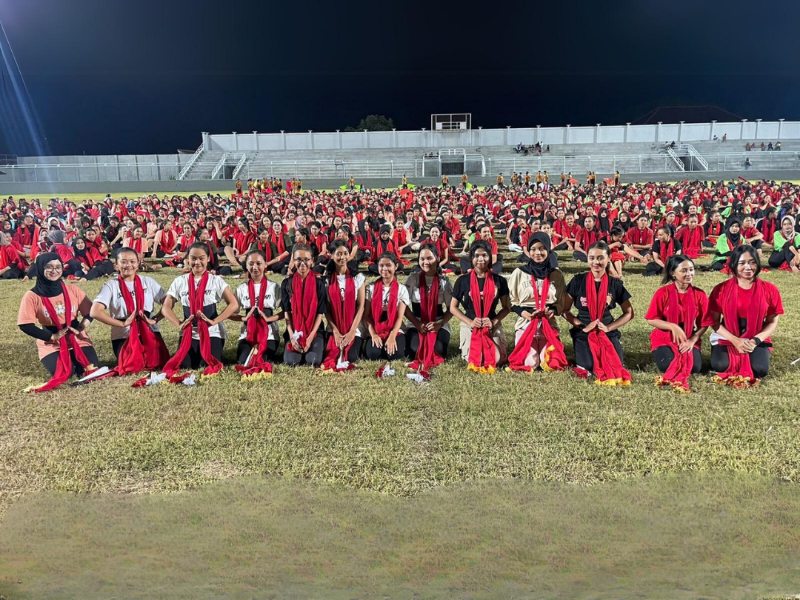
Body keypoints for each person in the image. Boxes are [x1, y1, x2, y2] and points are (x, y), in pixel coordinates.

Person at [17, 252, 99, 392]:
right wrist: (52, 337)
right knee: (65, 373)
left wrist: (80, 328)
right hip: (51, 342)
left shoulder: (72, 289)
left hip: (76, 338)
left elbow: (90, 312)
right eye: (49, 267)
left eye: (58, 267)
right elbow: (25, 324)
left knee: (87, 369)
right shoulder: (32, 296)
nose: (54, 271)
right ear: (40, 269)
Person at [161, 243, 239, 377]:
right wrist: (179, 324)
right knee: (185, 365)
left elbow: (233, 304)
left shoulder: (216, 280)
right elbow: (166, 308)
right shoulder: (180, 281)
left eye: (201, 258)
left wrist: (215, 321)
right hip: (189, 331)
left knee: (207, 364)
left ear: (208, 258)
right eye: (193, 258)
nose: (197, 262)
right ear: (188, 259)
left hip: (211, 332)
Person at [709, 245, 783, 386]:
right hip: (728, 334)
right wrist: (735, 340)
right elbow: (714, 321)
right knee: (720, 365)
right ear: (734, 265)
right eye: (742, 263)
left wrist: (755, 340)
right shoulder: (721, 289)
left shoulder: (770, 289)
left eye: (752, 262)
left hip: (756, 334)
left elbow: (772, 322)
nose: (748, 267)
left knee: (760, 369)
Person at [89, 247, 170, 374]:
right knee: (131, 365)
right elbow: (95, 311)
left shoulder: (148, 282)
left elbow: (168, 301)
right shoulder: (111, 285)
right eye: (124, 262)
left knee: (158, 361)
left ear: (138, 263)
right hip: (124, 334)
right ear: (116, 265)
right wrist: (122, 324)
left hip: (148, 330)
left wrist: (155, 319)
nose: (129, 265)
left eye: (132, 262)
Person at [563, 241, 634, 385]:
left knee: (616, 365)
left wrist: (608, 328)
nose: (596, 262)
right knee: (589, 367)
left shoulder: (615, 284)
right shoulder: (578, 281)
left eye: (601, 258)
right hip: (583, 330)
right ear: (587, 259)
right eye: (592, 258)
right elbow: (564, 310)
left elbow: (629, 313)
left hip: (606, 329)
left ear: (608, 259)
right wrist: (582, 326)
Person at [644, 255, 713, 391]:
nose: (689, 274)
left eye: (691, 270)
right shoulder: (662, 293)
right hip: (665, 337)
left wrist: (692, 340)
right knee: (667, 365)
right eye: (684, 270)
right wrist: (672, 326)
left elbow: (705, 323)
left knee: (695, 368)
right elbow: (651, 319)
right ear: (672, 273)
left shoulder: (700, 294)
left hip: (688, 336)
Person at [506, 233, 568, 372]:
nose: (537, 253)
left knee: (550, 363)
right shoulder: (519, 272)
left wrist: (552, 311)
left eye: (542, 248)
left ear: (548, 250)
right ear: (528, 250)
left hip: (548, 324)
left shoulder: (556, 274)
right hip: (526, 324)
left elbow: (561, 303)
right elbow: (511, 301)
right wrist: (524, 313)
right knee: (530, 363)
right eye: (533, 249)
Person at [449, 240, 511, 373]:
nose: (481, 259)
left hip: (491, 323)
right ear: (471, 258)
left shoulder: (499, 281)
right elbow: (453, 308)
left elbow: (506, 308)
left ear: (490, 257)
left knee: (496, 359)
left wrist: (493, 321)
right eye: (476, 256)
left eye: (484, 255)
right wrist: (470, 322)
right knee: (475, 359)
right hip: (470, 324)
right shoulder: (462, 281)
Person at [231, 249, 282, 379]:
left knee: (262, 359)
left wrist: (270, 318)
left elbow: (287, 311)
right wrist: (244, 317)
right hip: (248, 334)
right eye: (251, 263)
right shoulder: (241, 288)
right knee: (244, 361)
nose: (255, 267)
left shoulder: (274, 287)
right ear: (246, 265)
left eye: (259, 263)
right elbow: (230, 313)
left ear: (265, 264)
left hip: (269, 334)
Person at [404, 244, 453, 372]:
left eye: (429, 258)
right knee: (414, 350)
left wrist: (439, 323)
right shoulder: (413, 278)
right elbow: (402, 305)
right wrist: (417, 323)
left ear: (437, 258)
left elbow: (452, 309)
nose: (425, 262)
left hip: (438, 322)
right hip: (416, 322)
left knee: (439, 350)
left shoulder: (444, 281)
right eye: (422, 259)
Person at [322, 240, 366, 370]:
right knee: (331, 353)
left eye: (345, 253)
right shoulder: (326, 280)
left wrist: (352, 331)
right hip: (334, 326)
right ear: (331, 255)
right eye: (338, 254)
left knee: (351, 357)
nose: (342, 257)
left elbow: (361, 306)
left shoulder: (357, 277)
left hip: (354, 326)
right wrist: (335, 331)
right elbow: (327, 310)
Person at [281, 244, 327, 367]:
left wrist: (310, 337)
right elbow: (287, 312)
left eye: (306, 259)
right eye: (298, 260)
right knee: (292, 361)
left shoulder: (319, 284)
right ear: (293, 261)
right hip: (294, 329)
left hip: (314, 330)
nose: (302, 263)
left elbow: (320, 313)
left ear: (312, 261)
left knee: (313, 360)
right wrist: (291, 336)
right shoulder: (287, 283)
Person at [364, 252, 410, 362]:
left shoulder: (402, 289)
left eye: (388, 265)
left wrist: (392, 336)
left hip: (394, 328)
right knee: (373, 355)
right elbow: (366, 316)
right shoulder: (371, 288)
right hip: (376, 327)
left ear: (396, 266)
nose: (385, 269)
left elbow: (399, 317)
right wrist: (374, 335)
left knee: (395, 355)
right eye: (381, 265)